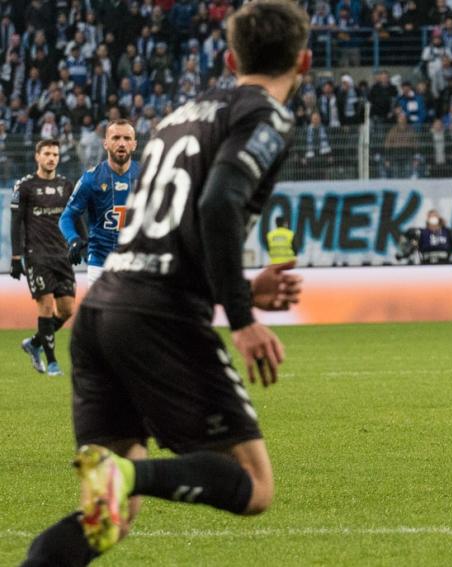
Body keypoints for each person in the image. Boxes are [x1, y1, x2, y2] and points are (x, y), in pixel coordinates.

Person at [20, 1, 309, 565]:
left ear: (229, 57)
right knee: (253, 486)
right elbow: (219, 204)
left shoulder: (178, 116)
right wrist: (244, 321)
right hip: (158, 318)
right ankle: (124, 472)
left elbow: (163, 238)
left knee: (109, 518)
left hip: (103, 312)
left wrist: (240, 291)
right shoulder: (267, 114)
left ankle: (109, 487)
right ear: (304, 62)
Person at [8, 139, 77, 377]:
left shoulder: (67, 186)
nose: (51, 158)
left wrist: (82, 242)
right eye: (47, 153)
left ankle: (34, 344)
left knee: (67, 309)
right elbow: (16, 222)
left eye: (55, 154)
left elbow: (76, 217)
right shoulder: (24, 186)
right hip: (36, 255)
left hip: (62, 255)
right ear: (37, 156)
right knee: (46, 306)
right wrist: (16, 256)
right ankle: (53, 363)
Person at [58, 119, 141, 285]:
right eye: (116, 138)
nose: (122, 143)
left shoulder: (147, 175)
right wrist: (73, 239)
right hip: (100, 263)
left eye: (127, 138)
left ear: (134, 144)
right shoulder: (90, 179)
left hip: (137, 264)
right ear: (105, 143)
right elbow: (66, 217)